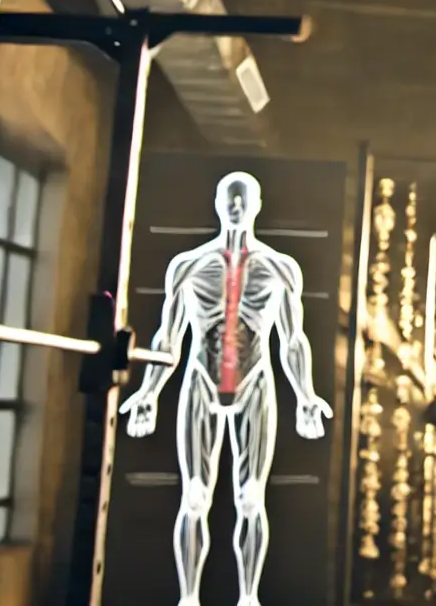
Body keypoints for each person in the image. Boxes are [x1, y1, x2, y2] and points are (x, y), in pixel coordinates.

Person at [118, 172, 333, 606]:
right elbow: (167, 337)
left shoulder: (281, 268)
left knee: (251, 498)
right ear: (217, 203)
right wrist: (149, 392)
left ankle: (248, 597)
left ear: (257, 204)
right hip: (200, 378)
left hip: (256, 383)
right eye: (229, 199)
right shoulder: (187, 266)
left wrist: (306, 396)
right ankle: (189, 598)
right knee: (194, 495)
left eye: (243, 199)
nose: (236, 207)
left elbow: (293, 339)